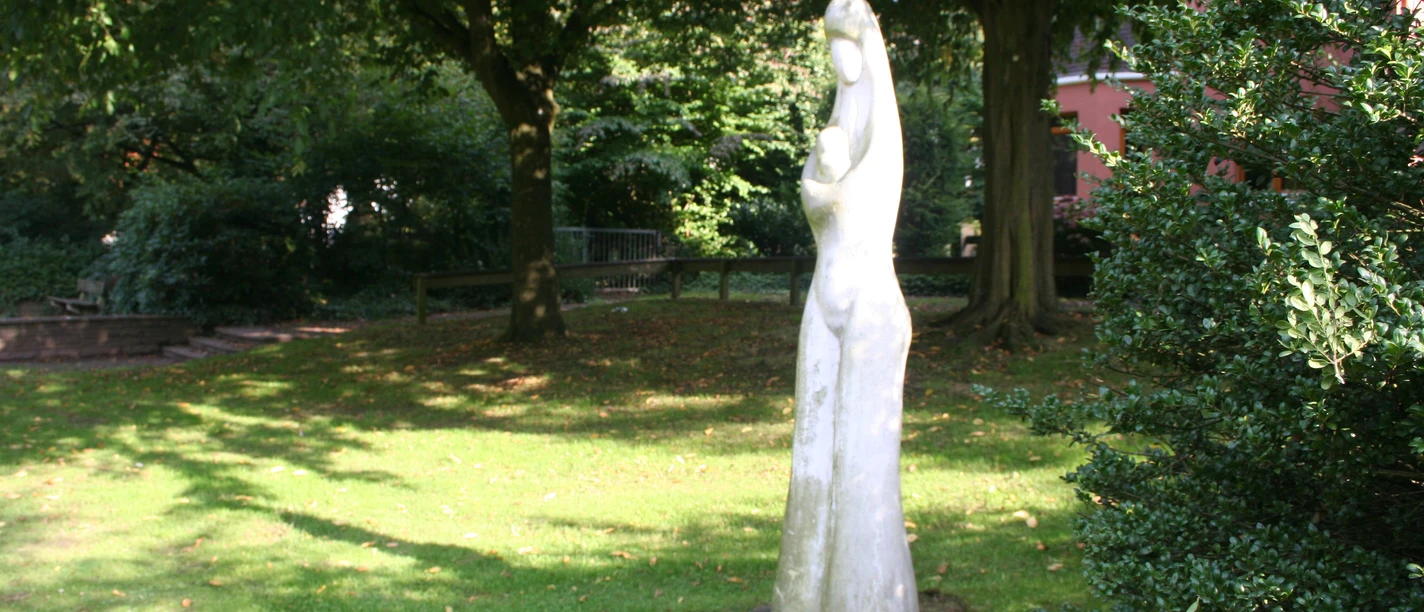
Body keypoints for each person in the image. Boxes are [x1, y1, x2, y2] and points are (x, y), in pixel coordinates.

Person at [772, 1, 918, 610]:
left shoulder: (880, 138)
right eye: (831, 45)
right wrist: (827, 162)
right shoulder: (838, 127)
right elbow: (818, 196)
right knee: (811, 460)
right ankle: (801, 591)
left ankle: (867, 597)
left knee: (861, 471)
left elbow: (844, 200)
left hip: (868, 304)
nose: (840, 59)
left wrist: (829, 172)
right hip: (822, 299)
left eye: (848, 42)